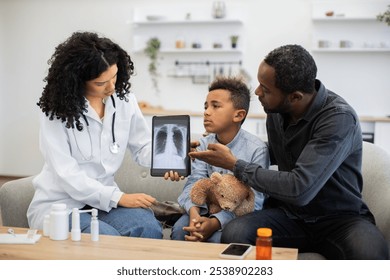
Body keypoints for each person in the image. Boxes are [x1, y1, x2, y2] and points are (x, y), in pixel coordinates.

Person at [188, 44, 389, 259]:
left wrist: (234, 164)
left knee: (372, 254)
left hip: (339, 219)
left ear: (295, 97)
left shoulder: (338, 118)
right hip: (290, 217)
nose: (257, 93)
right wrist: (206, 150)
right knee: (236, 231)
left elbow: (300, 189)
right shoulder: (276, 111)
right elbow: (274, 154)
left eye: (265, 89)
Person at [27, 31, 180, 239]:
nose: (112, 87)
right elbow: (67, 174)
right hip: (62, 205)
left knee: (149, 228)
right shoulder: (56, 112)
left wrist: (170, 158)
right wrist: (118, 198)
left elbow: (143, 147)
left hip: (104, 205)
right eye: (101, 83)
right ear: (78, 80)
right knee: (104, 238)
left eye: (115, 77)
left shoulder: (125, 101)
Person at [171, 77, 270, 243]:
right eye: (206, 106)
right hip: (203, 211)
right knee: (181, 231)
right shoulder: (202, 144)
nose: (207, 112)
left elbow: (255, 201)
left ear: (238, 115)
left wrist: (215, 223)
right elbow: (195, 182)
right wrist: (194, 214)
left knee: (218, 238)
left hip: (237, 217)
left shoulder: (256, 149)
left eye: (215, 106)